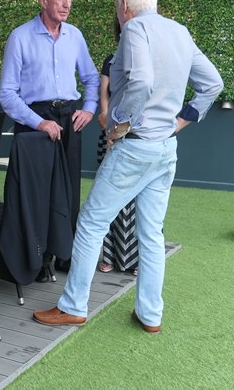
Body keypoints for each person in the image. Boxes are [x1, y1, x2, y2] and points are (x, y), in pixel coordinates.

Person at [32, 0, 223, 333]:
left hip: (135, 148)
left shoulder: (135, 29)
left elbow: (141, 82)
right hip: (166, 148)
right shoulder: (179, 31)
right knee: (150, 234)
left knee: (90, 224)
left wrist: (119, 124)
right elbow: (213, 83)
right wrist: (181, 121)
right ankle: (150, 315)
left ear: (123, 6)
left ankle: (73, 306)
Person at [0, 0, 100, 279]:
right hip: (35, 121)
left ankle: (65, 254)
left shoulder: (75, 36)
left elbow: (92, 78)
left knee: (68, 190)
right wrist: (38, 122)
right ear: (43, 0)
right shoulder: (20, 37)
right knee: (37, 195)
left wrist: (90, 109)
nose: (67, 4)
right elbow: (7, 93)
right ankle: (37, 260)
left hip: (69, 119)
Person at [97, 17, 138, 276]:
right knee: (108, 197)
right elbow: (103, 94)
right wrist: (105, 122)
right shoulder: (110, 61)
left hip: (135, 138)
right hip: (108, 136)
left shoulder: (146, 62)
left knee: (135, 199)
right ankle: (110, 255)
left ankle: (135, 259)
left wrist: (122, 129)